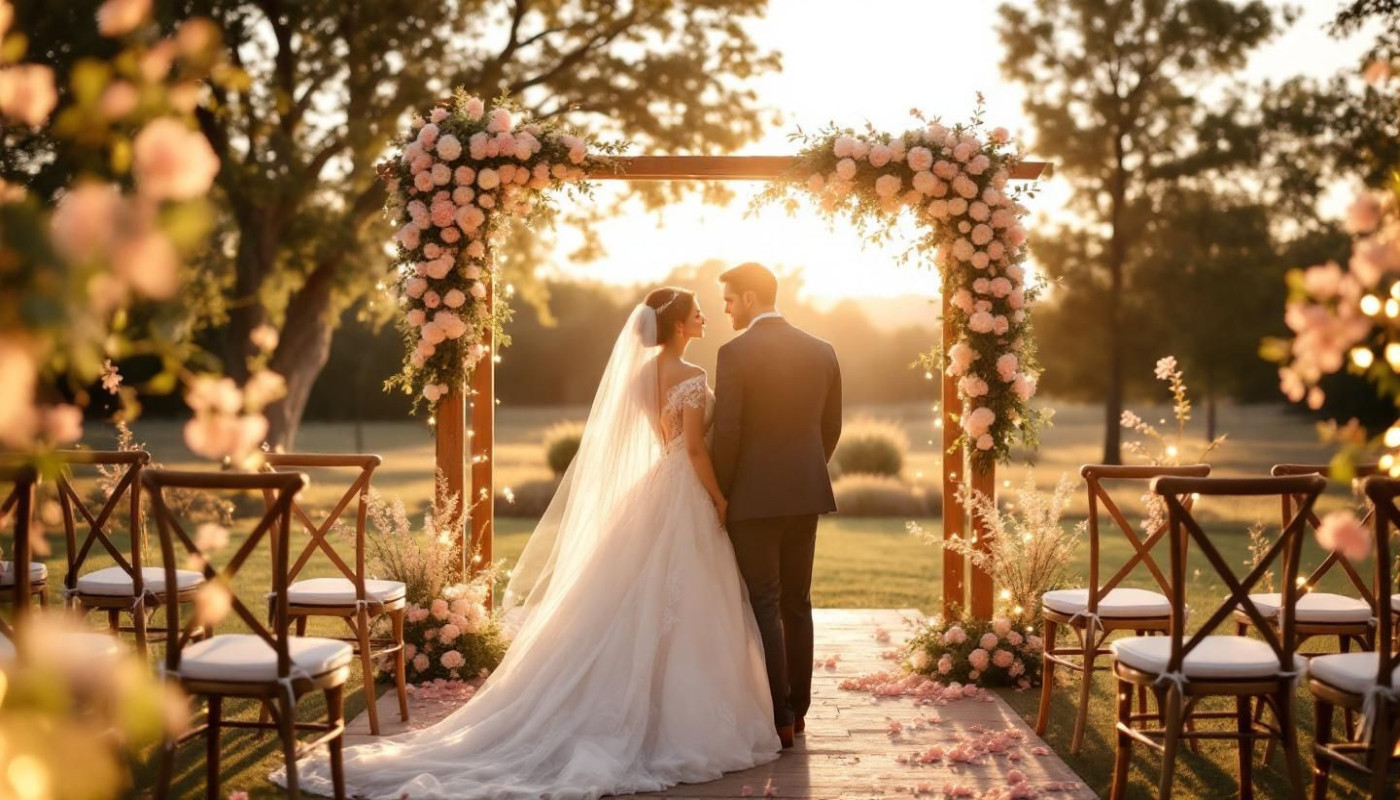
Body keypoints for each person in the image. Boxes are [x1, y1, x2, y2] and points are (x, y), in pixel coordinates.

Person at [280, 287, 780, 799]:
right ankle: (678, 720)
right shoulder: (693, 378)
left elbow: (662, 437)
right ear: (677, 325)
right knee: (685, 600)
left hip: (655, 485)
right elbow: (694, 449)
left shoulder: (636, 378)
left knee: (638, 598)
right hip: (684, 490)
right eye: (696, 312)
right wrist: (718, 499)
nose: (703, 317)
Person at [713, 262, 842, 749]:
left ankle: (780, 715)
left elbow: (728, 432)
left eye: (728, 298)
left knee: (766, 602)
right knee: (797, 601)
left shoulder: (735, 352)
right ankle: (800, 712)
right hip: (805, 494)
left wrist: (721, 494)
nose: (726, 307)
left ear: (748, 297)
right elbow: (830, 428)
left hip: (751, 498)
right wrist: (804, 474)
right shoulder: (822, 350)